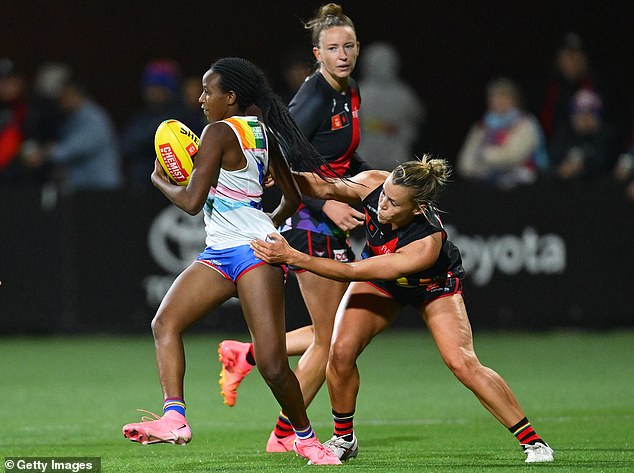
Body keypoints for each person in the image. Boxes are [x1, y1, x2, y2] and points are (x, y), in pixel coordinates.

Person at [250, 155, 555, 464]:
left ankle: (533, 442)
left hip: (431, 285)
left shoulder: (425, 244)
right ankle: (344, 439)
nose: (383, 204)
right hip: (384, 282)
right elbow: (320, 186)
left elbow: (354, 271)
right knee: (339, 352)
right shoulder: (373, 183)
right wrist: (275, 171)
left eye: (394, 203)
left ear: (417, 208)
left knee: (461, 362)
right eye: (385, 195)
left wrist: (293, 256)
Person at [121, 57, 341, 465]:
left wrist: (158, 180)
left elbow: (190, 202)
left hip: (248, 254)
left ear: (231, 97)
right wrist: (264, 227)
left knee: (273, 365)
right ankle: (174, 418)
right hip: (230, 251)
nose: (202, 98)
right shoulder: (264, 132)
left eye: (209, 91)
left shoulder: (218, 132)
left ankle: (307, 439)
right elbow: (292, 199)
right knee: (165, 322)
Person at [218, 2, 369, 453]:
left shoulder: (350, 90)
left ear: (358, 49)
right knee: (332, 340)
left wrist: (365, 186)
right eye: (332, 48)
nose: (342, 54)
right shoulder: (316, 96)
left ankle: (244, 356)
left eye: (349, 46)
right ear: (317, 54)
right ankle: (286, 437)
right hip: (307, 223)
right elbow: (283, 159)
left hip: (326, 219)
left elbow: (337, 159)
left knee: (335, 334)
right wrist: (326, 205)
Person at [21, 74, 122, 193]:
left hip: (102, 189)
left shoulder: (94, 118)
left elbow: (72, 148)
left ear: (75, 94)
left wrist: (44, 154)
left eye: (64, 95)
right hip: (83, 189)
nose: (60, 100)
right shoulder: (72, 118)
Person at [456, 77, 548, 189]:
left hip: (521, 188)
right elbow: (465, 164)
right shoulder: (481, 127)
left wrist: (485, 156)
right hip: (485, 186)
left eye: (504, 96)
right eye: (494, 97)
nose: (499, 101)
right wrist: (482, 169)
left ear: (515, 100)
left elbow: (514, 156)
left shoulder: (525, 123)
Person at [356, 41, 426, 170]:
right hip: (367, 151)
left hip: (395, 151)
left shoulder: (403, 93)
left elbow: (417, 116)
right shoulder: (360, 92)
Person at [121, 59, 187, 190]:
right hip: (142, 186)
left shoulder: (181, 116)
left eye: (158, 87)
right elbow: (126, 145)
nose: (152, 91)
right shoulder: (143, 115)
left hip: (172, 188)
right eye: (150, 87)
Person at [548, 89, 616, 181]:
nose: (584, 118)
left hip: (598, 190)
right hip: (562, 189)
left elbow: (606, 165)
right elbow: (551, 163)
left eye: (590, 113)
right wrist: (560, 169)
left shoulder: (607, 135)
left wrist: (583, 168)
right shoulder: (563, 132)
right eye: (579, 113)